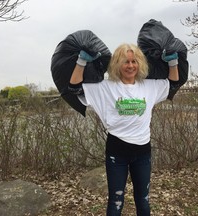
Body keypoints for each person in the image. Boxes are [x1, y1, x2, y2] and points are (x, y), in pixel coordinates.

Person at [66, 43, 179, 216]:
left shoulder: (149, 86)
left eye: (134, 61)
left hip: (143, 152)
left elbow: (172, 84)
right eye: (125, 62)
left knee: (143, 200)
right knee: (116, 201)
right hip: (116, 152)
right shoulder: (105, 87)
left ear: (140, 63)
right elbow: (74, 88)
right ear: (117, 64)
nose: (131, 66)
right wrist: (81, 61)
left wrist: (173, 63)